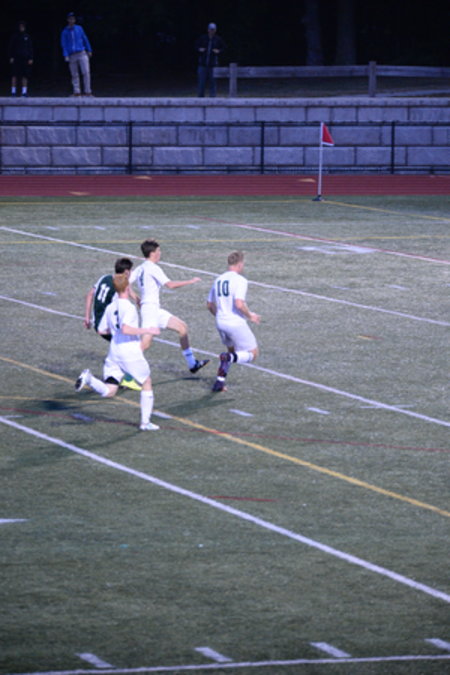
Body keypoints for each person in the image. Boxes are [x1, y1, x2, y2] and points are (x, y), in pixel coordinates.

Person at [75, 273, 161, 431]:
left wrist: (116, 331)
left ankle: (89, 379)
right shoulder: (129, 307)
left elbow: (101, 330)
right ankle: (145, 422)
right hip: (129, 352)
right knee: (146, 382)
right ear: (127, 288)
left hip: (114, 352)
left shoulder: (110, 307)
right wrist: (147, 330)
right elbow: (126, 329)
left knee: (110, 390)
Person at [130, 239, 209, 374]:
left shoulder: (140, 268)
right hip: (150, 311)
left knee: (182, 327)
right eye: (158, 251)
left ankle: (192, 364)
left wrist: (137, 299)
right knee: (145, 344)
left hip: (153, 309)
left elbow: (126, 284)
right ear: (152, 253)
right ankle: (124, 368)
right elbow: (170, 285)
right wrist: (190, 281)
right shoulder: (153, 268)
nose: (160, 253)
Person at [84, 257, 141, 391]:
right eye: (130, 270)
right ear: (126, 272)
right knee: (130, 347)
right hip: (105, 326)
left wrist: (87, 317)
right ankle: (126, 379)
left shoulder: (104, 278)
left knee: (123, 347)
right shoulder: (117, 291)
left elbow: (90, 295)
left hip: (98, 322)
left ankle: (118, 374)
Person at [207, 251, 260, 392]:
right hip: (235, 323)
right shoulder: (240, 280)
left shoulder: (218, 280)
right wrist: (250, 316)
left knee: (232, 350)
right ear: (240, 264)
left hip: (220, 322)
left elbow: (210, 305)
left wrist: (221, 316)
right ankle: (227, 358)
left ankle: (219, 382)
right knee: (253, 354)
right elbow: (239, 304)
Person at [60, 11, 93, 96]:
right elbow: (64, 44)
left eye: (73, 19)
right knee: (74, 74)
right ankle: (76, 91)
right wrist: (65, 54)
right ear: (68, 20)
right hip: (72, 54)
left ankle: (88, 91)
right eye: (70, 19)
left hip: (81, 52)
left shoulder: (79, 28)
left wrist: (89, 49)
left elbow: (85, 39)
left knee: (86, 72)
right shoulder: (65, 31)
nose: (72, 20)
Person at [195, 22, 225, 97]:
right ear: (208, 30)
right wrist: (199, 49)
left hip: (213, 64)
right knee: (201, 82)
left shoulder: (218, 39)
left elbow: (224, 48)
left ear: (215, 30)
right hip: (202, 64)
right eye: (211, 29)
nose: (212, 31)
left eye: (213, 29)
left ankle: (212, 98)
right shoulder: (203, 38)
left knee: (213, 82)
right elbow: (196, 46)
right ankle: (200, 98)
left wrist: (219, 51)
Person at [8, 21, 33, 97]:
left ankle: (24, 92)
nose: (21, 28)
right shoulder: (14, 36)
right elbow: (11, 47)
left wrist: (30, 58)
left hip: (25, 58)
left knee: (25, 75)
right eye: (20, 26)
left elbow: (30, 48)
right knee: (14, 75)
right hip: (16, 58)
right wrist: (11, 57)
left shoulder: (27, 36)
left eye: (23, 26)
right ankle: (13, 92)